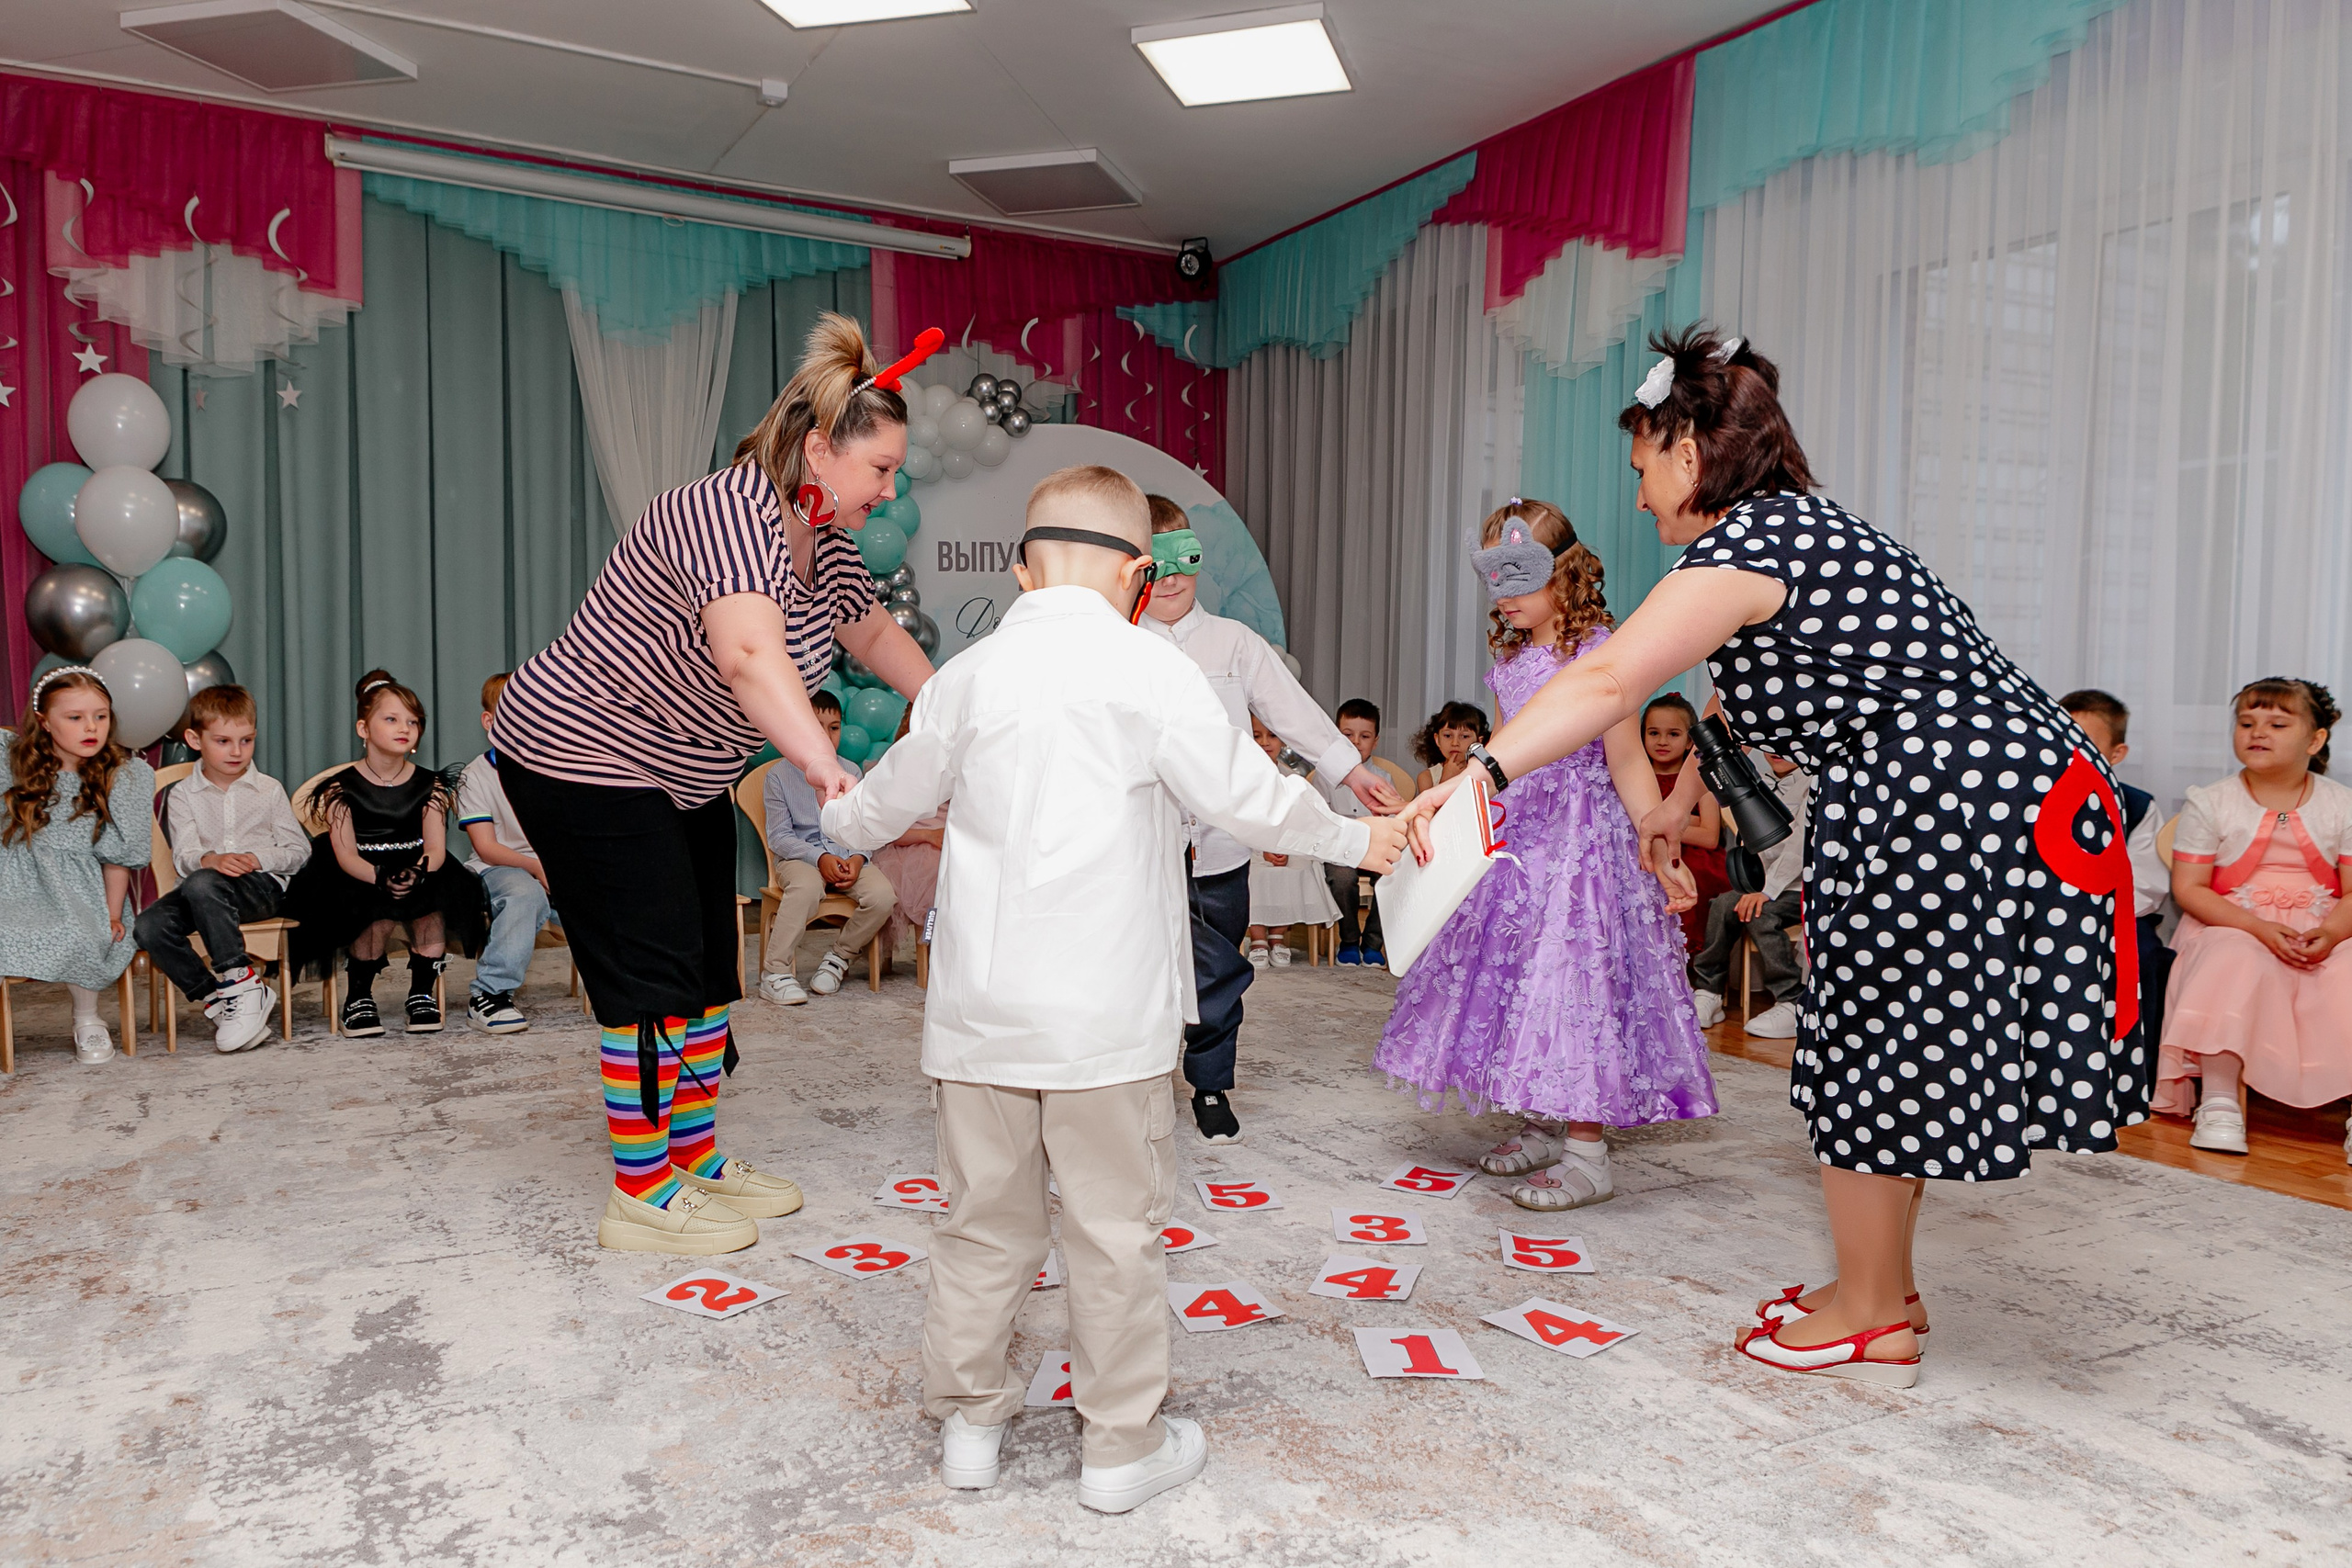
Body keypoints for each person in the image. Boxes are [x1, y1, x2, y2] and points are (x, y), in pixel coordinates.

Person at [1404, 326, 2146, 1388]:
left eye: (1644, 471)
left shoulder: (1743, 548)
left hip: (1942, 803)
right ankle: (1880, 1286)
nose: (1643, 498)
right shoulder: (1802, 533)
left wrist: (1482, 778)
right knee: (1902, 1048)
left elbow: (1609, 684)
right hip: (1998, 795)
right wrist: (1675, 803)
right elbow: (1740, 703)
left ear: (1689, 454)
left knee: (1871, 1050)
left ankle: (1868, 1311)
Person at [820, 465, 1409, 1513]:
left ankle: (970, 1425)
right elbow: (1252, 801)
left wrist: (836, 819)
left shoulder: (965, 678)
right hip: (1108, 1022)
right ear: (1138, 573)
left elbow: (877, 807)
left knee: (980, 1226)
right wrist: (1363, 839)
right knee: (1112, 1231)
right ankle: (1117, 1448)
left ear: (1017, 568)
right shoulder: (1152, 671)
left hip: (979, 1022)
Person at [490, 311, 936, 1254]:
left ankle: (690, 1157)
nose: (890, 487)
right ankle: (641, 1193)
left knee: (702, 966)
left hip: (680, 771)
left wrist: (962, 712)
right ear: (820, 451)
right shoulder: (723, 512)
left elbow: (877, 638)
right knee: (647, 973)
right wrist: (823, 767)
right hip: (581, 752)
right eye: (881, 468)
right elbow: (745, 654)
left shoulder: (829, 546)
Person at [1374, 499, 1712, 1213]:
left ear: (1564, 572)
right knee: (1518, 982)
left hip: (1582, 847)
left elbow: (1625, 759)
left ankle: (1588, 1152)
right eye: (1493, 578)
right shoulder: (1510, 656)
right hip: (1520, 838)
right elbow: (1504, 747)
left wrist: (1657, 831)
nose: (1504, 593)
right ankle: (1539, 1118)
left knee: (1574, 984)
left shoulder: (1602, 654)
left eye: (1518, 575)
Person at [1138, 492, 1399, 1144]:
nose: (1169, 577)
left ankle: (1208, 1083)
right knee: (1135, 966)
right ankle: (1134, 1081)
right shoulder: (1119, 645)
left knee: (1219, 968)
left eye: (1183, 558)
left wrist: (1352, 771)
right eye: (1154, 561)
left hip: (1219, 846)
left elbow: (1293, 711)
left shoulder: (1233, 641)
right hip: (1138, 844)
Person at [2154, 679, 2352, 1158]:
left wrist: (2328, 933)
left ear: (2315, 740)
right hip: (2230, 920)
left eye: (2277, 724)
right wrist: (2260, 929)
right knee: (2233, 957)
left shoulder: (2343, 804)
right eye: (2246, 723)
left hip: (2324, 922)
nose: (2256, 733)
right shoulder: (2211, 801)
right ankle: (2220, 1100)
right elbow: (2190, 890)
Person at [283, 671, 489, 1037]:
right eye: (391, 719)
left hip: (417, 865)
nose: (404, 728)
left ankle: (421, 992)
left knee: (430, 902)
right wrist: (379, 876)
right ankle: (359, 996)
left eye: (413, 721)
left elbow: (436, 848)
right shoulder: (339, 788)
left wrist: (419, 874)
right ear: (364, 729)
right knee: (373, 905)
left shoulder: (432, 785)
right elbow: (345, 854)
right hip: (357, 869)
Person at [135, 683, 311, 1052]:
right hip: (204, 890)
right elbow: (184, 854)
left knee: (202, 884)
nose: (236, 751)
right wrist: (210, 859)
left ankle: (237, 978)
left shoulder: (269, 789)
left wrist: (258, 858)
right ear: (194, 739)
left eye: (246, 741)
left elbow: (299, 851)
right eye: (223, 741)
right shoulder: (182, 794)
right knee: (149, 925)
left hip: (259, 890)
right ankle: (221, 998)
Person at [0, 667, 153, 1064]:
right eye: (75, 717)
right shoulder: (10, 761)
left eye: (100, 716)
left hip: (80, 887)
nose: (91, 727)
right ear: (44, 722)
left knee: (83, 933)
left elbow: (117, 858)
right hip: (13, 881)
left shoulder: (123, 777)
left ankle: (87, 1019)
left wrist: (113, 913)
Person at [759, 690, 894, 1006]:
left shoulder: (852, 772)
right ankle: (775, 972)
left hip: (848, 856)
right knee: (805, 888)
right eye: (818, 726)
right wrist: (819, 857)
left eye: (834, 727)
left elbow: (862, 829)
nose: (827, 735)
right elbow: (779, 837)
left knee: (883, 896)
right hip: (799, 857)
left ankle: (838, 959)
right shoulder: (778, 776)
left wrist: (859, 858)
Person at [2059, 689, 2173, 1047]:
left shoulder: (2136, 806)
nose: (2068, 750)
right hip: (2037, 916)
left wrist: (2092, 913)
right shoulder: (2019, 797)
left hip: (2115, 917)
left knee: (2142, 958)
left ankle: (2136, 1072)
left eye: (2083, 741)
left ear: (2116, 754)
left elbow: (2147, 886)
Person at [455, 673, 557, 1035]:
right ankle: (490, 994)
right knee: (524, 894)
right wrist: (537, 867)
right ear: (489, 721)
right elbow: (487, 847)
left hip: (551, 864)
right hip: (497, 866)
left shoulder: (560, 768)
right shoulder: (475, 777)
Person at [1687, 752, 1809, 1038]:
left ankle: (1791, 999)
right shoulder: (1756, 782)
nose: (1777, 752)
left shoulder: (1813, 783)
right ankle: (1709, 991)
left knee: (1762, 913)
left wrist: (1767, 891)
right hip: (1762, 885)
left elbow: (1800, 846)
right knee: (1722, 904)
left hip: (1798, 886)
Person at [1325, 698, 1418, 967]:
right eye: (1347, 735)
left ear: (1375, 742)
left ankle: (1373, 942)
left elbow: (1391, 817)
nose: (1355, 742)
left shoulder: (1383, 778)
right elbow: (1320, 815)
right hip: (1340, 849)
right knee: (1341, 879)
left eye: (1364, 736)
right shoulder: (1325, 777)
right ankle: (1350, 940)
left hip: (1374, 847)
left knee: (1394, 874)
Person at [1245, 715, 1340, 968]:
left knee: (1301, 865)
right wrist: (1263, 850)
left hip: (1284, 843)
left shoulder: (1290, 777)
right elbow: (1242, 821)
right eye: (1257, 735)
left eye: (1272, 735)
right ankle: (1257, 938)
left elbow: (1297, 820)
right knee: (1250, 870)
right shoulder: (1240, 776)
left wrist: (1281, 849)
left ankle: (1278, 934)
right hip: (1250, 845)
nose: (1265, 742)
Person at [1643, 693, 1730, 955]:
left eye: (1673, 734)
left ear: (1690, 740)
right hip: (1648, 854)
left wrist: (1664, 825)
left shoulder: (1698, 779)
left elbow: (1709, 836)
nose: (1662, 741)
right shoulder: (1640, 781)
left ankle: (1688, 958)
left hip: (1693, 856)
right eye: (1654, 732)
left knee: (1691, 876)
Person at [868, 705, 944, 959]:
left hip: (946, 845)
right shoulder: (893, 772)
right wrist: (928, 836)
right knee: (932, 881)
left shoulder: (952, 771)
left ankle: (946, 950)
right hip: (905, 848)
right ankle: (929, 943)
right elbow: (885, 830)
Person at [1409, 701, 1488, 795]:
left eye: (1464, 736)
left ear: (1479, 741)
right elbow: (1433, 808)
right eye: (1448, 736)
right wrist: (1446, 780)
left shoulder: (1484, 772)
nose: (1455, 743)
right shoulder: (1427, 777)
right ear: (1437, 740)